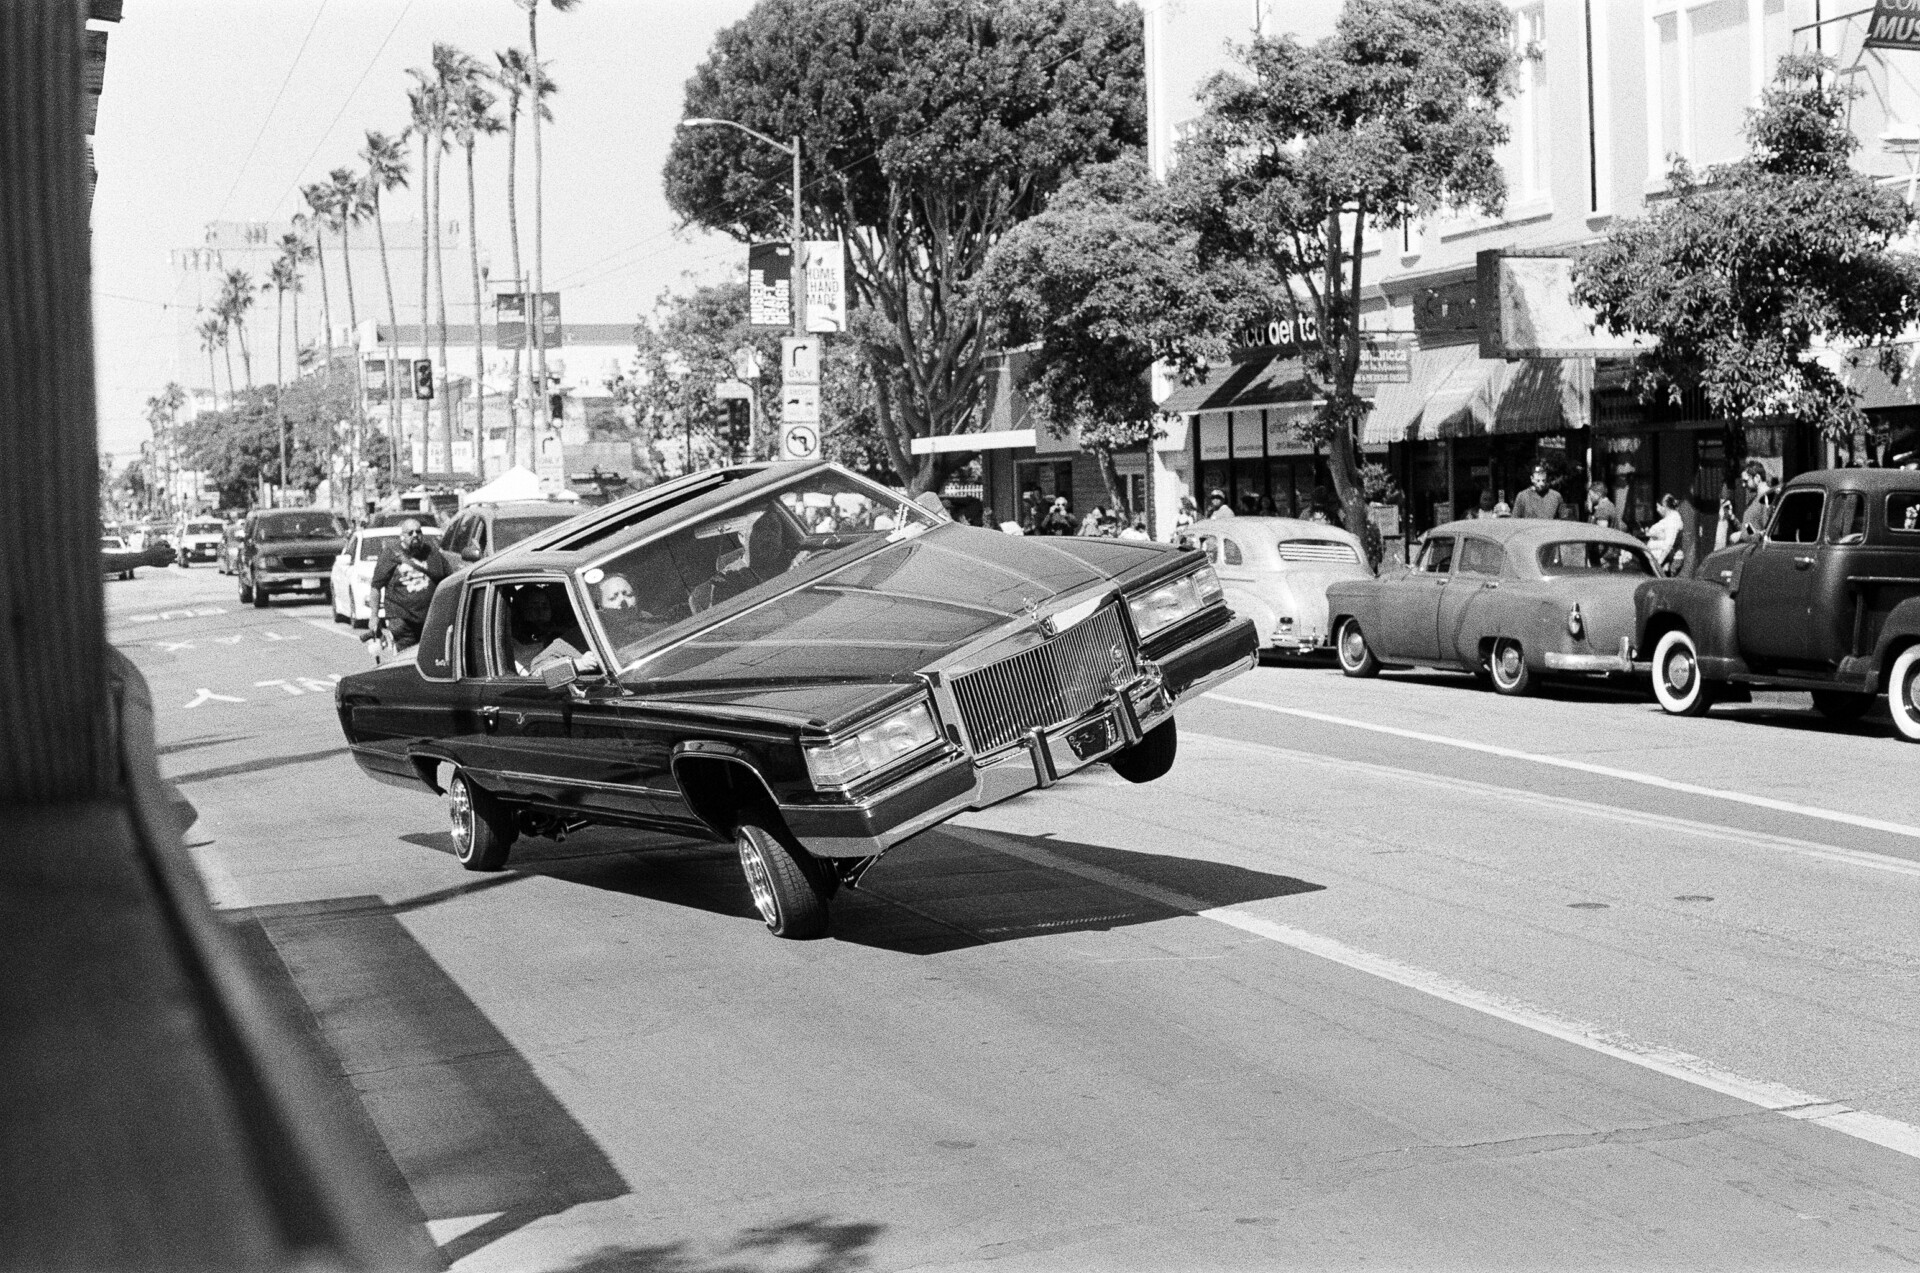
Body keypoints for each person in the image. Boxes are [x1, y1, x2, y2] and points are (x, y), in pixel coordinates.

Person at [370, 519, 452, 656]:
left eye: (418, 532)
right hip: (402, 618)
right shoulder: (391, 554)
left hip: (430, 617)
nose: (415, 535)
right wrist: (374, 616)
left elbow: (448, 579)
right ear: (402, 536)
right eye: (410, 533)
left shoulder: (432, 553)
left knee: (430, 657)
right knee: (407, 657)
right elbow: (376, 587)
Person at [1723, 460, 1771, 543]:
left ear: (1757, 478)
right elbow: (1749, 530)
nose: (1743, 485)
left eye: (1746, 481)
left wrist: (1741, 536)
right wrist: (1732, 517)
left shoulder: (1768, 499)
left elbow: (1768, 534)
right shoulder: (1753, 501)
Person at [1645, 494, 1686, 575]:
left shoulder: (1673, 520)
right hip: (1664, 560)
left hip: (1669, 561)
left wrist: (1659, 563)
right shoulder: (1669, 519)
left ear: (1664, 505)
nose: (1657, 510)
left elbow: (1669, 544)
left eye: (1658, 507)